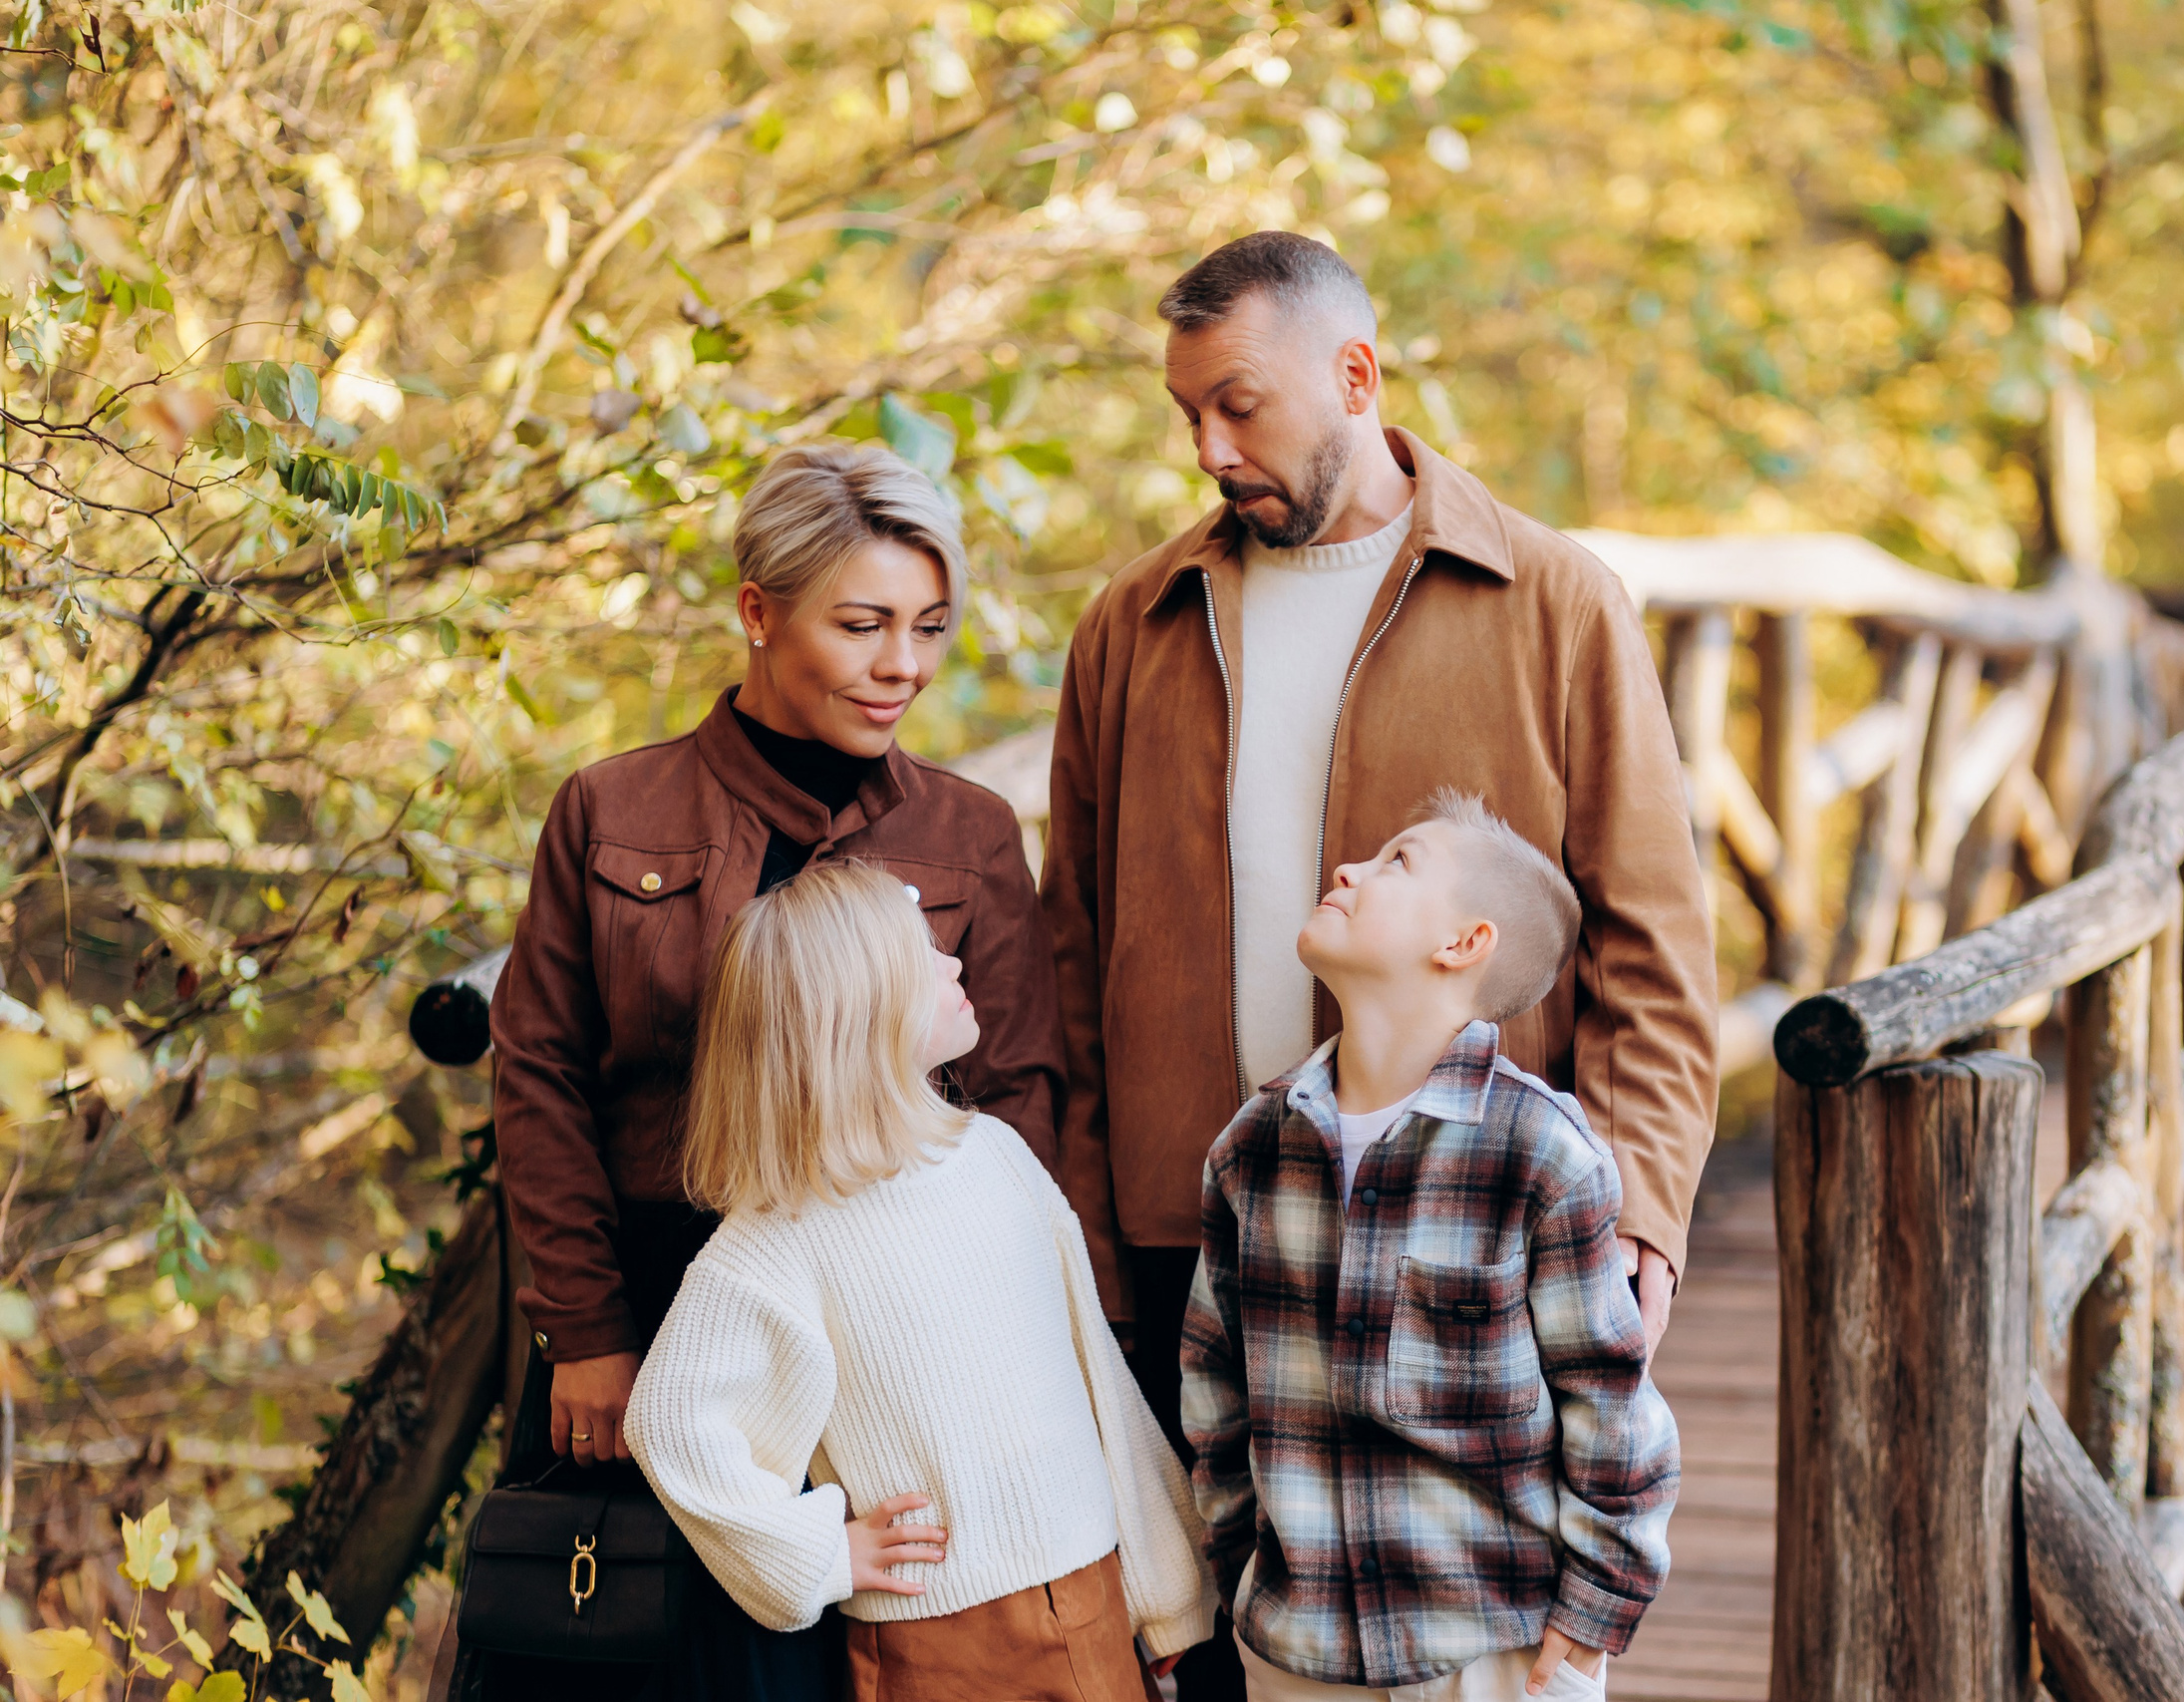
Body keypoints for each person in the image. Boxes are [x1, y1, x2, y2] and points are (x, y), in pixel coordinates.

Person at [1042, 230, 1716, 1699]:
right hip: (1203, 1247)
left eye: (1240, 405)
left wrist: (1647, 1218)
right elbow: (1071, 961)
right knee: (1225, 1654)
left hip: (1465, 1238)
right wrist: (1088, 1238)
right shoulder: (1132, 628)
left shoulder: (1554, 599)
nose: (1211, 449)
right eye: (1188, 416)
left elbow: (1655, 955)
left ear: (1355, 375)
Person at [488, 442, 1064, 1693]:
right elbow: (538, 1077)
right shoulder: (609, 810)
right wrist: (584, 1327)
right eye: (861, 624)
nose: (901, 664)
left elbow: (1017, 1097)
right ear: (758, 611)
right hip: (642, 1305)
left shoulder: (967, 832)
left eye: (927, 626)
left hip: (880, 1336)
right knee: (611, 1652)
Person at [626, 861, 1214, 1701]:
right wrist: (821, 1554)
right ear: (860, 1013)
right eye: (926, 956)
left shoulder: (998, 1155)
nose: (955, 965)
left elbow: (1100, 1386)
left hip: (1097, 1601)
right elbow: (671, 1421)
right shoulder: (777, 1236)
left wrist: (1167, 1600)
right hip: (938, 1648)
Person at [1182, 793, 1680, 1701]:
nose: (1349, 869)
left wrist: (1596, 1602)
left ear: (1464, 943)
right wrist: (1237, 1572)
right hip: (1302, 1651)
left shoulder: (1543, 1152)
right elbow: (1215, 1389)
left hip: (1496, 1649)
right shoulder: (1250, 1149)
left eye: (1396, 862)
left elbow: (1612, 1405)